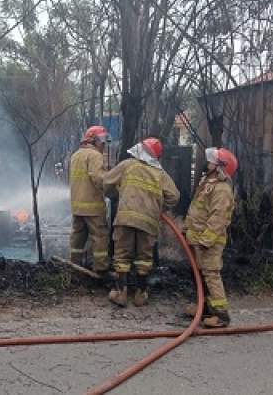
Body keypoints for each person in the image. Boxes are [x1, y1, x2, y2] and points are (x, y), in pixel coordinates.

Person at [102, 138, 179, 307]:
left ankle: (121, 293)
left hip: (126, 218)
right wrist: (158, 207)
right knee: (144, 258)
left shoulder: (128, 165)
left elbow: (107, 182)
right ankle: (141, 294)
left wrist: (115, 195)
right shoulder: (160, 174)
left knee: (122, 256)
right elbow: (174, 196)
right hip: (149, 222)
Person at [183, 147, 238, 328]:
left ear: (220, 167)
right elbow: (198, 211)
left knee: (211, 274)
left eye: (212, 161)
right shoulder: (209, 183)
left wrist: (206, 241)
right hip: (198, 239)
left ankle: (222, 315)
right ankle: (205, 308)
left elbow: (218, 218)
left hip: (209, 242)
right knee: (199, 274)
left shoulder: (222, 190)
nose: (208, 163)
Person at [68, 125, 111, 276]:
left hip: (77, 207)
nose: (104, 145)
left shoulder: (76, 155)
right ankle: (100, 269)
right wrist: (113, 187)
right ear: (93, 141)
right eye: (102, 141)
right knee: (100, 238)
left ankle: (74, 266)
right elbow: (99, 178)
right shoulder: (94, 156)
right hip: (93, 208)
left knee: (77, 238)